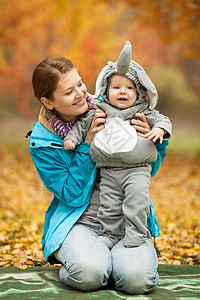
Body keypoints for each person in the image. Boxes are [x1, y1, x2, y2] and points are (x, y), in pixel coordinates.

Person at [29, 54, 169, 295]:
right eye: (69, 91)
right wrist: (86, 145)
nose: (81, 93)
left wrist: (152, 142)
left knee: (137, 281)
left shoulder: (113, 106)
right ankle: (86, 261)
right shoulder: (42, 142)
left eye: (80, 83)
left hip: (127, 219)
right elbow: (71, 195)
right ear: (48, 101)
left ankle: (119, 260)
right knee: (88, 274)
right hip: (80, 222)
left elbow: (148, 171)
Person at [63, 41, 172, 249]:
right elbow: (83, 126)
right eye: (116, 87)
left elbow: (163, 120)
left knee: (137, 199)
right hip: (109, 170)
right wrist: (71, 139)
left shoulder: (143, 110)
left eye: (129, 88)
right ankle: (110, 234)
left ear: (139, 92)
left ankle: (137, 233)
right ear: (106, 89)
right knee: (109, 204)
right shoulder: (99, 109)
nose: (123, 92)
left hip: (136, 170)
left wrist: (160, 130)